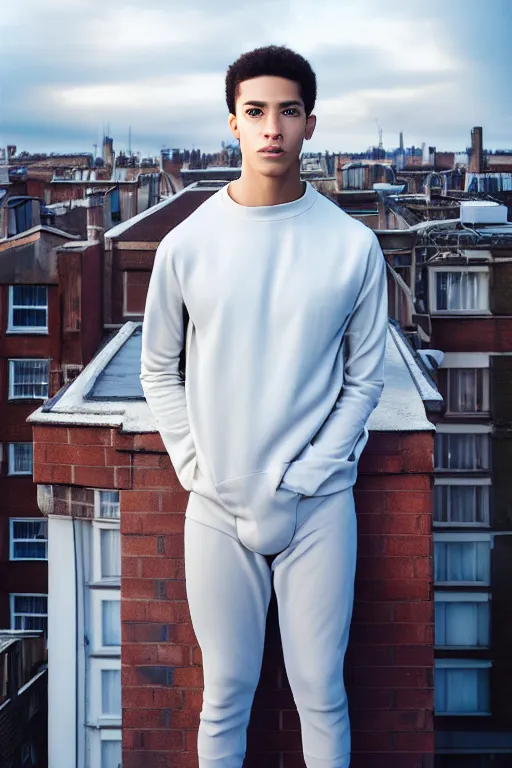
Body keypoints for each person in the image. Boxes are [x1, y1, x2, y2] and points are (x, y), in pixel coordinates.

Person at [140, 44, 388, 768]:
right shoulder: (186, 246)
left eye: (287, 111)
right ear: (234, 124)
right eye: (255, 112)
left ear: (311, 123)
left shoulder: (353, 246)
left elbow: (365, 381)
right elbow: (159, 368)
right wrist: (196, 468)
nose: (271, 127)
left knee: (322, 692)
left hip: (318, 508)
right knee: (225, 697)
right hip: (216, 507)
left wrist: (310, 475)